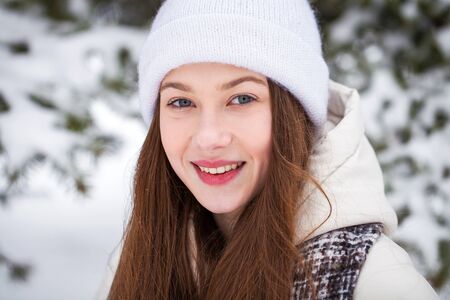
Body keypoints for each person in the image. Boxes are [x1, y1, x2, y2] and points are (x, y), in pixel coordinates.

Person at [105, 0, 439, 299]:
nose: (208, 137)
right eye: (181, 101)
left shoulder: (373, 281)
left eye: (242, 98)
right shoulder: (145, 256)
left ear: (294, 113)